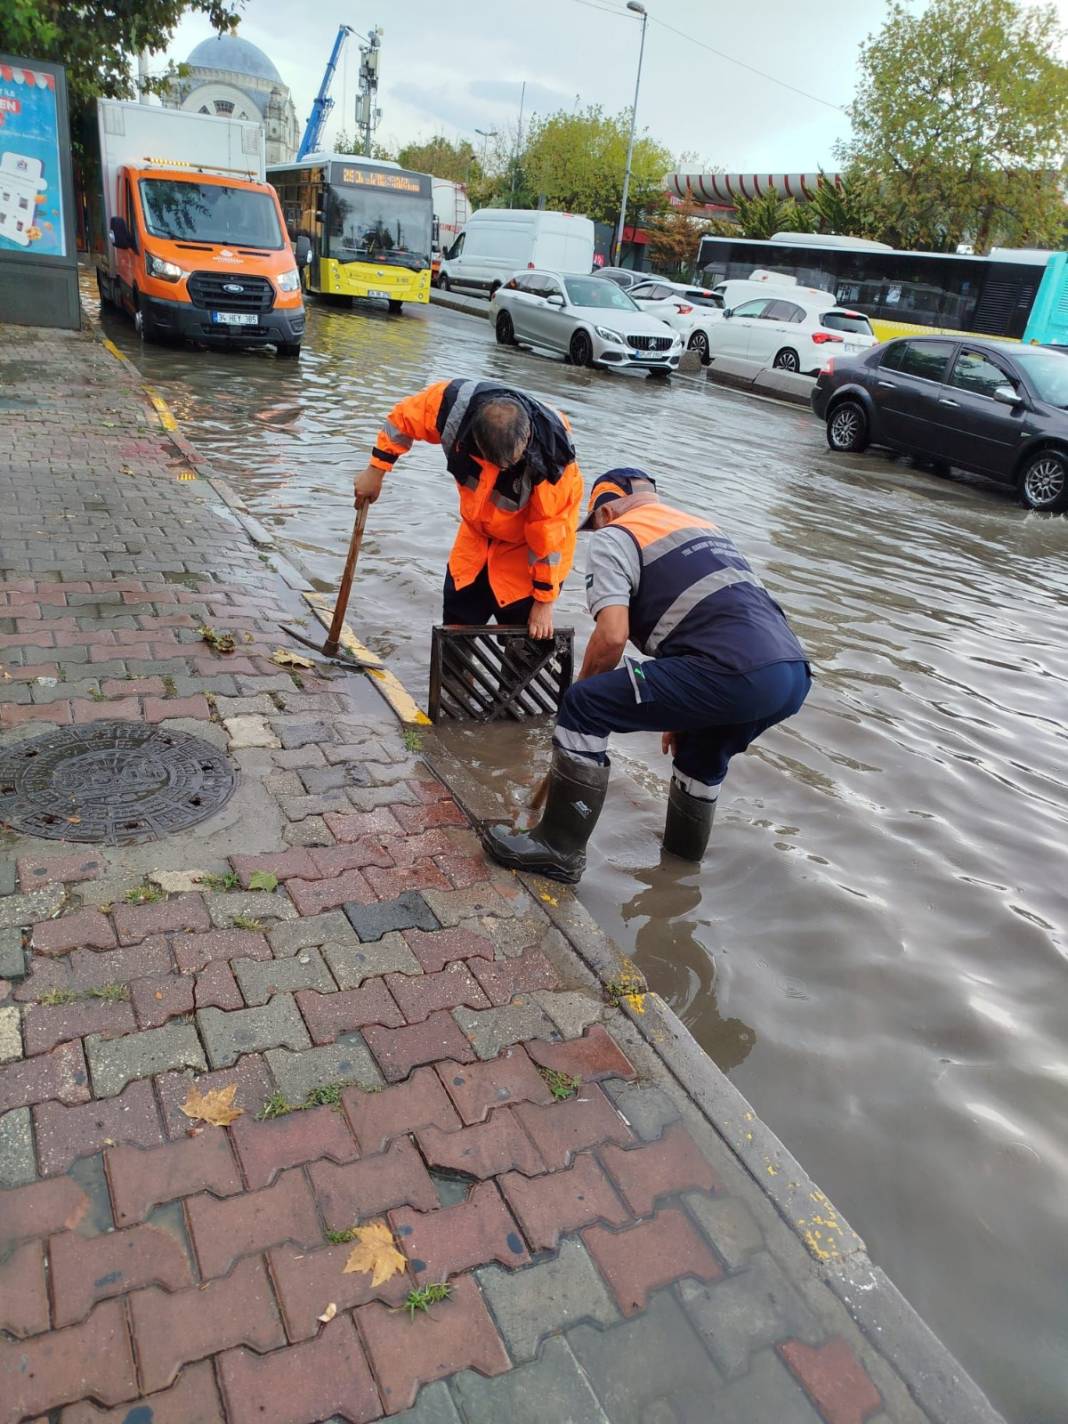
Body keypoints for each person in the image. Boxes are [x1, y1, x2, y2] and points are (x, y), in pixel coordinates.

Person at [482, 469, 811, 882]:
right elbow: (716, 621)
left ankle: (557, 850)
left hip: (730, 671)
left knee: (586, 705)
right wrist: (687, 707)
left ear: (604, 512)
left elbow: (612, 637)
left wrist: (579, 698)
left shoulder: (615, 536)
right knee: (699, 755)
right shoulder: (702, 526)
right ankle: (680, 867)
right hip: (791, 675)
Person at [353, 380, 584, 639]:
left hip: (526, 557)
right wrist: (376, 470)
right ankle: (455, 679)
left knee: (525, 648)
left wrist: (544, 601)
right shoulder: (453, 408)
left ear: (526, 438)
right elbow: (403, 418)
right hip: (475, 540)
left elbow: (549, 540)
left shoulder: (554, 463)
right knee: (456, 629)